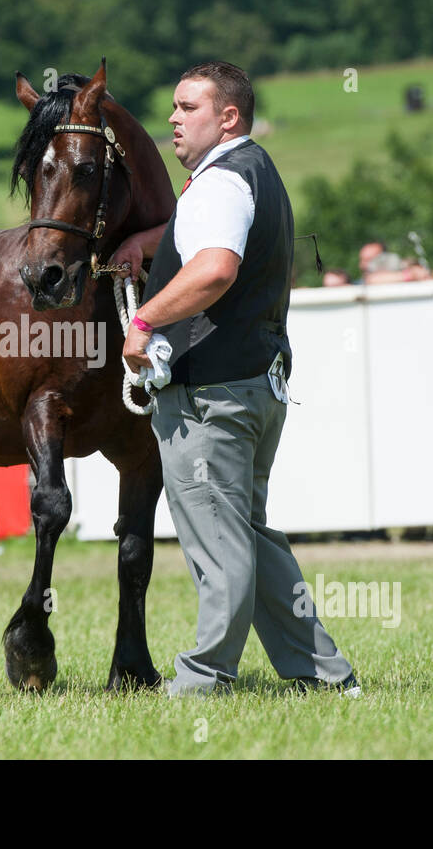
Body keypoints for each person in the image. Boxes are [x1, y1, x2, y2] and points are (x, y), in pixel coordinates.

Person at [109, 60, 359, 698]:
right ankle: (323, 676)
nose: (172, 117)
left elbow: (216, 268)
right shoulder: (257, 170)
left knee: (219, 547)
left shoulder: (218, 182)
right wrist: (154, 238)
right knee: (251, 539)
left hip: (207, 395)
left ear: (228, 117)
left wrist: (145, 319)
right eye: (173, 106)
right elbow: (220, 247)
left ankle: (202, 680)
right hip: (255, 385)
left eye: (188, 106)